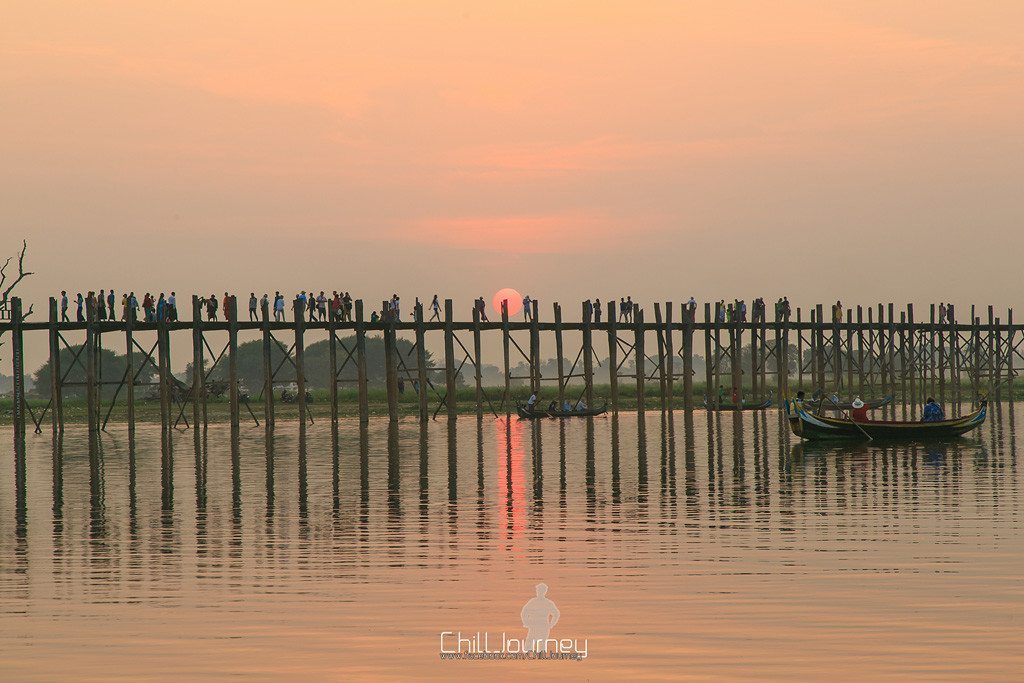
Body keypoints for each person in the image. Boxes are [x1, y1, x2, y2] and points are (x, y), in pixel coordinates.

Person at [521, 583, 560, 653]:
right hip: (535, 626)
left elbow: (556, 614)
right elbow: (524, 612)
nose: (538, 592)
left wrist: (551, 624)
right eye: (538, 590)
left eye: (540, 590)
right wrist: (526, 622)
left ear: (544, 591)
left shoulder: (547, 603)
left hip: (542, 626)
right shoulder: (534, 602)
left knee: (540, 646)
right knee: (529, 646)